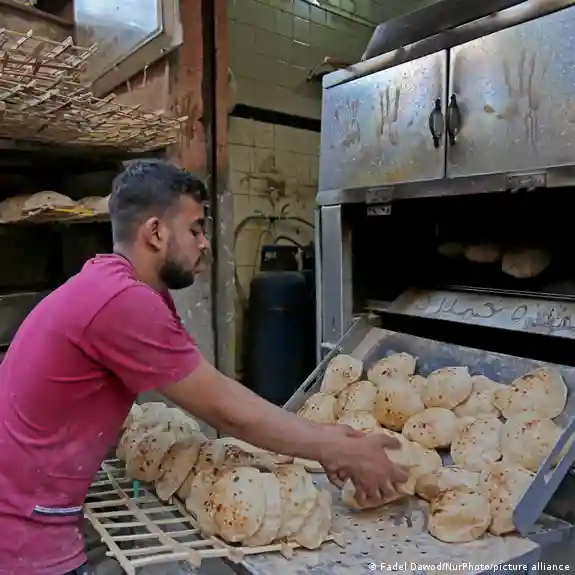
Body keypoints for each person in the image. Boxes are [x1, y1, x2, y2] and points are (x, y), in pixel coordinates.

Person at [0, 160, 408, 575]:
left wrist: (327, 439)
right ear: (156, 232)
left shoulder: (119, 287)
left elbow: (211, 387)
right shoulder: (121, 300)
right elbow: (224, 409)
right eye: (195, 229)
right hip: (21, 529)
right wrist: (335, 447)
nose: (205, 243)